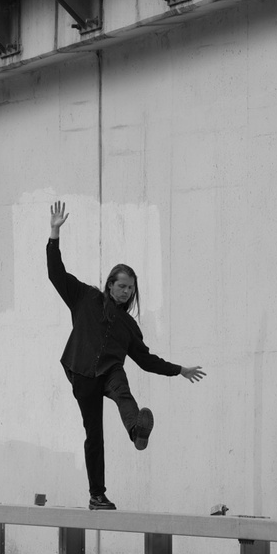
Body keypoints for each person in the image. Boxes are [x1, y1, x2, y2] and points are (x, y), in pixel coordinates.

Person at [46, 200, 208, 511]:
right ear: (110, 285)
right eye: (122, 286)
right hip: (82, 371)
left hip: (109, 371)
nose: (127, 292)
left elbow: (146, 360)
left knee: (123, 390)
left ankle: (136, 430)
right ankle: (97, 495)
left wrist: (179, 370)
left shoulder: (128, 326)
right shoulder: (85, 297)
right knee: (94, 434)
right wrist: (54, 234)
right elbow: (56, 274)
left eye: (131, 288)